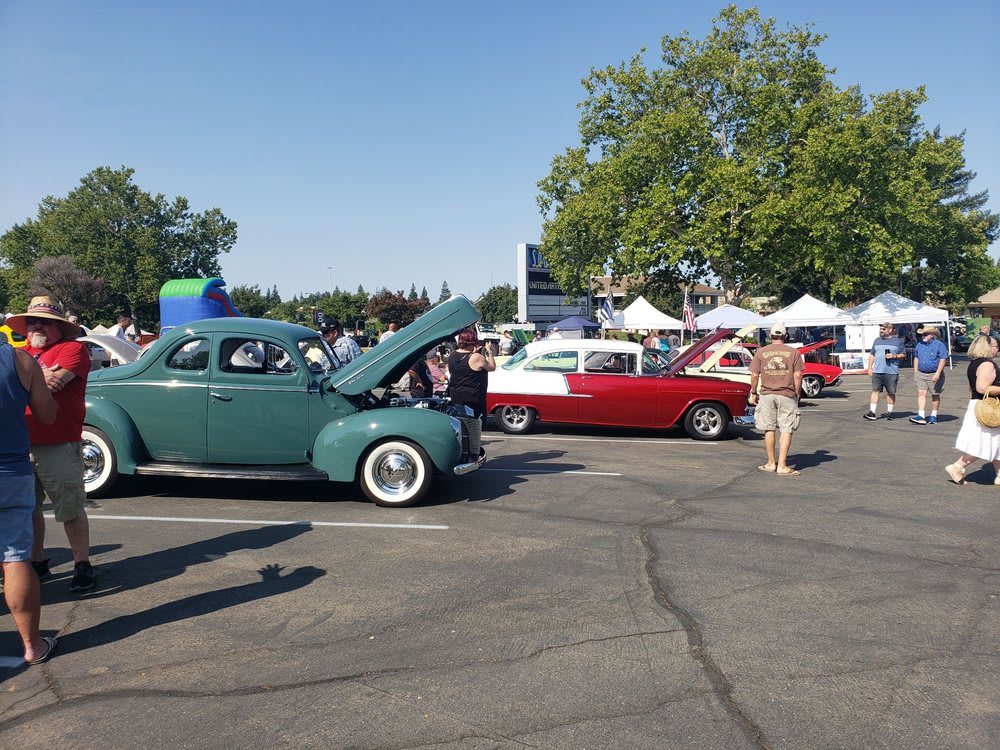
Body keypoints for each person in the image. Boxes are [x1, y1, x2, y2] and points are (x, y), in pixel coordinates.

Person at [5, 296, 95, 592]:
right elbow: (47, 381)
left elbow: (56, 382)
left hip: (58, 442)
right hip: (22, 444)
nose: (36, 326)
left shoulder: (73, 349)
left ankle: (82, 564)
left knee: (69, 507)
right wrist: (41, 375)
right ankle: (38, 562)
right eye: (32, 320)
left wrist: (32, 377)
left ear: (59, 326)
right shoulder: (21, 353)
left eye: (45, 321)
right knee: (28, 510)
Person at [1, 339, 59, 664]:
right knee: (15, 559)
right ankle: (32, 646)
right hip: (11, 472)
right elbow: (48, 415)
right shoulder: (21, 361)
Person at [748, 323, 804, 476]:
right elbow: (798, 375)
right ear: (785, 336)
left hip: (767, 394)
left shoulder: (761, 352)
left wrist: (754, 392)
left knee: (769, 428)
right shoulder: (794, 353)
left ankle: (771, 463)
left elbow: (754, 375)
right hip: (787, 393)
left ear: (770, 336)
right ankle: (783, 466)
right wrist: (797, 394)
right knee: (786, 429)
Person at [945, 334, 1000, 485]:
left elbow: (971, 388)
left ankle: (999, 474)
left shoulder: (974, 363)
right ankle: (957, 466)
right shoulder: (987, 364)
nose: (997, 349)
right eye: (995, 346)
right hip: (987, 408)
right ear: (987, 347)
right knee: (983, 443)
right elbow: (981, 388)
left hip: (978, 405)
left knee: (995, 442)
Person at [446, 327, 497, 422]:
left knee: (459, 424)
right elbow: (492, 367)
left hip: (456, 395)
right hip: (472, 398)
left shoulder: (452, 355)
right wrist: (489, 351)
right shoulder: (476, 357)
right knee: (473, 427)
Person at [864, 322, 906, 421]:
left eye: (883, 329)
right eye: (880, 329)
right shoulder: (877, 340)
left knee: (891, 392)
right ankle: (872, 412)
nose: (881, 331)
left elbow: (903, 354)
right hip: (877, 370)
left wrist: (894, 356)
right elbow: (872, 355)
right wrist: (870, 367)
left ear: (890, 330)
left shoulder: (898, 341)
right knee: (875, 391)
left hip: (891, 371)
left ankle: (889, 413)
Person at [910, 326, 949, 425]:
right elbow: (916, 357)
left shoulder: (939, 345)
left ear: (932, 335)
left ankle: (933, 415)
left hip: (934, 373)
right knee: (921, 393)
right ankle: (921, 415)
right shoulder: (919, 344)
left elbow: (943, 359)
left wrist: (938, 373)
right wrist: (915, 371)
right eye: (922, 334)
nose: (923, 336)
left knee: (935, 394)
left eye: (925, 334)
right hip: (921, 373)